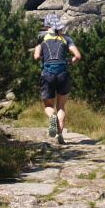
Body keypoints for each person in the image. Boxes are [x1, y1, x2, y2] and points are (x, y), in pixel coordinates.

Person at [33, 14, 81, 144]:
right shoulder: (66, 38)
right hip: (63, 74)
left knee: (49, 105)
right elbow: (77, 56)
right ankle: (60, 135)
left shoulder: (41, 37)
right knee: (61, 106)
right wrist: (68, 62)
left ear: (47, 25)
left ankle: (52, 118)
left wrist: (44, 57)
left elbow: (36, 56)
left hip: (47, 73)